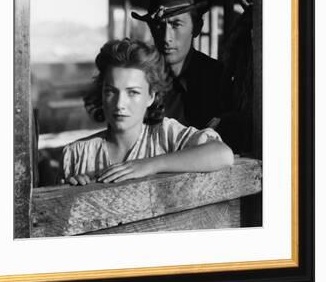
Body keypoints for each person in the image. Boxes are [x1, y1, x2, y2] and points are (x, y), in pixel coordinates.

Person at [60, 38, 233, 185]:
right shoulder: (76, 154)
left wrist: (149, 165)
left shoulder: (166, 135)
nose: (120, 104)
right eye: (111, 91)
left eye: (133, 92)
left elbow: (222, 155)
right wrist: (71, 188)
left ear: (151, 96)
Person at [131, 0, 225, 129]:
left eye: (176, 25)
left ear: (196, 28)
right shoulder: (141, 79)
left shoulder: (217, 77)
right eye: (159, 25)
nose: (166, 37)